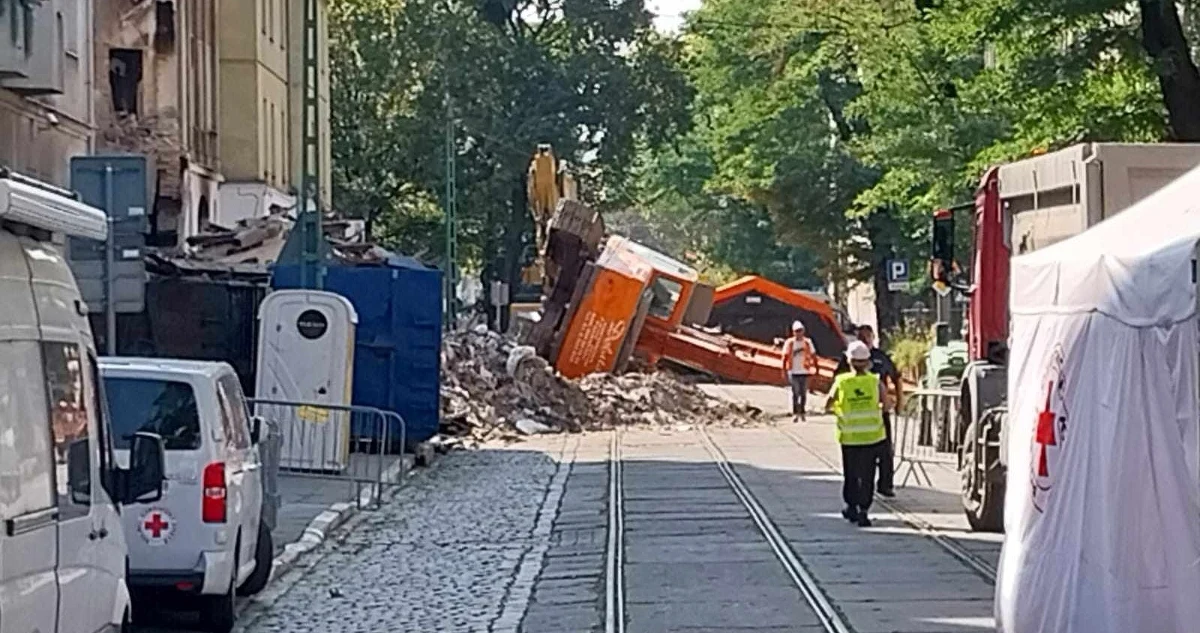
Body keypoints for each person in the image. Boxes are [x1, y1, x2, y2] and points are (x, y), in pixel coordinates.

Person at [835, 324, 903, 497]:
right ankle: (862, 492)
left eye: (868, 336)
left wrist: (899, 402)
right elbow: (837, 383)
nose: (865, 339)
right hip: (854, 421)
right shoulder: (848, 359)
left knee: (885, 452)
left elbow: (896, 378)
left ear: (873, 337)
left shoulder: (881, 358)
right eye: (861, 336)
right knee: (860, 462)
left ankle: (885, 484)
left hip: (879, 415)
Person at [827, 340, 888, 527]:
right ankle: (864, 510)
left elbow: (829, 402)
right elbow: (886, 404)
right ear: (868, 361)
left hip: (849, 437)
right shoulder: (875, 382)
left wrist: (838, 409)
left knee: (851, 473)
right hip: (872, 437)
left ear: (849, 360)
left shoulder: (841, 382)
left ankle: (851, 506)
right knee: (868, 474)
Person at [782, 321, 817, 422]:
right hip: (793, 371)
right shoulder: (789, 343)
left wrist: (816, 368)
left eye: (800, 331)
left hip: (805, 371)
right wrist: (783, 370)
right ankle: (795, 412)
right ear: (793, 332)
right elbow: (784, 357)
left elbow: (813, 356)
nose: (799, 333)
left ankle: (802, 411)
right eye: (797, 331)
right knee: (795, 393)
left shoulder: (807, 342)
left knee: (803, 393)